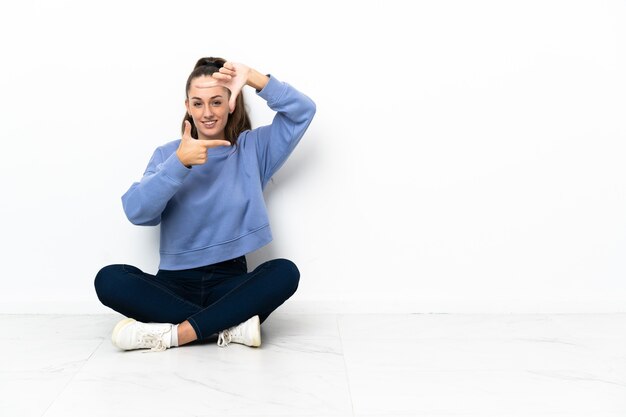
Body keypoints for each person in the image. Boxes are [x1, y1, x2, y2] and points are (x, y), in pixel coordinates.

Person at [94, 57, 316, 352]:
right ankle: (228, 325)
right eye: (198, 103)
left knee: (284, 272)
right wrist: (179, 165)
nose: (207, 113)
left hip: (230, 283)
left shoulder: (253, 149)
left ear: (231, 103)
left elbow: (303, 111)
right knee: (109, 279)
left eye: (216, 102)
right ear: (187, 107)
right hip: (173, 285)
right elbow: (137, 213)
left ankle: (175, 335)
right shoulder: (168, 155)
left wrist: (252, 77)